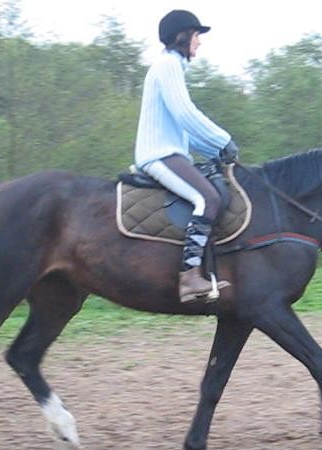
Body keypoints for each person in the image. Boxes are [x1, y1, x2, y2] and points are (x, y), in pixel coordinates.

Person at [134, 9, 239, 303]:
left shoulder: (173, 66)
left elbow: (182, 127)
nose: (199, 43)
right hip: (159, 155)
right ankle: (189, 277)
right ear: (182, 37)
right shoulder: (168, 65)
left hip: (170, 152)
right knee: (208, 199)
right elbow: (185, 113)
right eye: (196, 36)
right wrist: (223, 140)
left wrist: (216, 151)